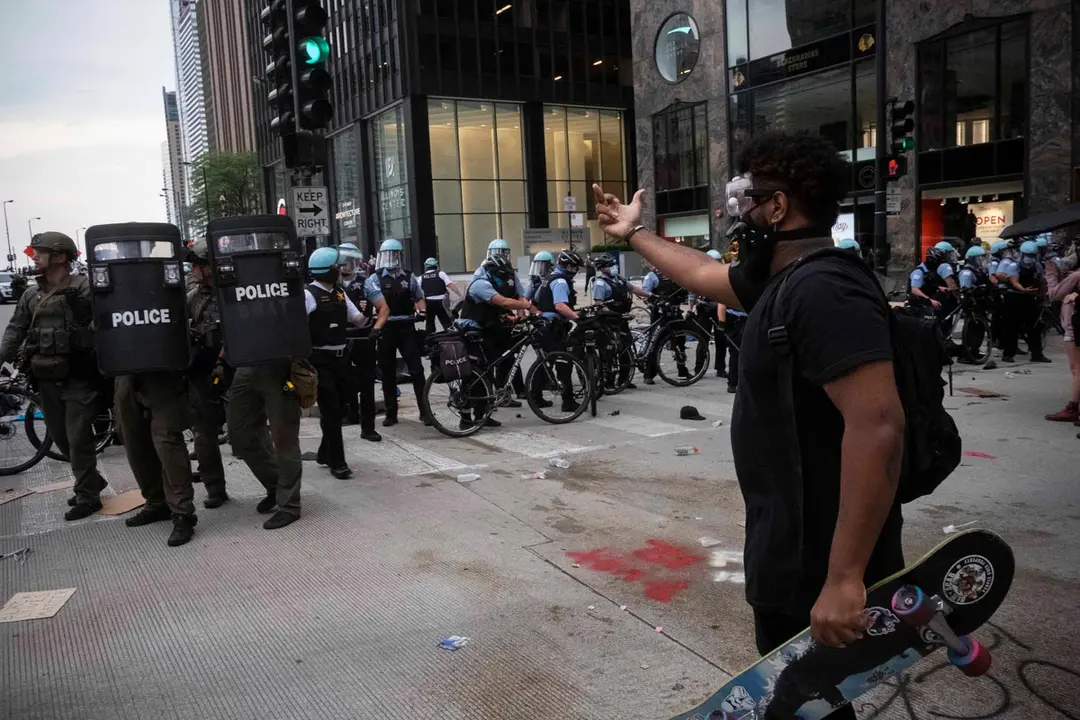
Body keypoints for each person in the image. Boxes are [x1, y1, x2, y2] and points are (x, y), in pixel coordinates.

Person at [592, 131, 907, 692]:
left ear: (779, 207)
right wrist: (634, 234)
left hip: (817, 557)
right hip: (788, 546)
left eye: (748, 200)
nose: (739, 213)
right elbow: (701, 273)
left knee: (806, 700)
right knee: (813, 702)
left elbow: (878, 425)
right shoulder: (783, 281)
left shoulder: (824, 290)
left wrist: (845, 577)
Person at [0, 231, 106, 521]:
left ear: (60, 257)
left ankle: (88, 495)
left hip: (79, 376)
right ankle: (92, 480)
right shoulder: (31, 294)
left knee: (78, 436)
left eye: (40, 252)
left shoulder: (84, 289)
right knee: (61, 439)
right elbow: (15, 330)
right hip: (45, 377)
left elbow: (107, 325)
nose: (34, 257)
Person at [305, 246, 373, 479]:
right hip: (320, 360)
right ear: (324, 271)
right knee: (331, 411)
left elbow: (358, 320)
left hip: (341, 358)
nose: (340, 271)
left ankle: (325, 452)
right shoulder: (308, 295)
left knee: (342, 406)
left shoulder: (340, 293)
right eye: (336, 267)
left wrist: (371, 310)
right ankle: (338, 463)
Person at [456, 254, 537, 425]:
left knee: (488, 370)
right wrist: (528, 306)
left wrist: (512, 318)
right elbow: (503, 302)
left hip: (486, 330)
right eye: (501, 274)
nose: (505, 278)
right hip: (472, 332)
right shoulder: (481, 284)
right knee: (476, 374)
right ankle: (466, 417)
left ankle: (482, 415)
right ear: (492, 272)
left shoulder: (496, 281)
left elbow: (496, 308)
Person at [185, 239, 229, 509]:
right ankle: (215, 487)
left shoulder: (231, 292)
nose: (193, 269)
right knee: (203, 434)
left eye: (197, 264)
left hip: (234, 370)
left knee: (249, 436)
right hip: (203, 372)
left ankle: (274, 487)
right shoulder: (193, 298)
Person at [365, 238, 428, 427]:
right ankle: (391, 413)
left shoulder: (409, 277)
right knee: (387, 371)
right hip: (386, 329)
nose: (392, 259)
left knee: (417, 370)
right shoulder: (375, 278)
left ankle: (425, 412)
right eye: (388, 255)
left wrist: (422, 311)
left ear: (401, 256)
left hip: (406, 327)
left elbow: (419, 297)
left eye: (395, 255)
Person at [531, 250, 583, 411]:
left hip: (543, 325)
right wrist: (577, 318)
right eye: (575, 268)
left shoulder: (548, 278)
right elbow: (560, 305)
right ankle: (568, 402)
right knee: (563, 362)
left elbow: (533, 301)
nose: (575, 272)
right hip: (554, 327)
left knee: (545, 362)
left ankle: (536, 398)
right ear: (568, 266)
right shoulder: (560, 282)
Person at [338, 243, 380, 441]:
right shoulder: (332, 284)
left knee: (366, 382)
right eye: (343, 262)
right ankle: (349, 413)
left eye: (349, 261)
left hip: (363, 335)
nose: (346, 266)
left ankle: (368, 426)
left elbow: (380, 306)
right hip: (341, 337)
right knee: (343, 379)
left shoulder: (366, 283)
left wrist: (370, 311)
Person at [592, 253, 647, 390]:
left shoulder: (619, 279)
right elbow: (599, 303)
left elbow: (633, 289)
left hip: (622, 320)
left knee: (626, 348)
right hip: (608, 322)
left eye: (613, 264)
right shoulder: (600, 283)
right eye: (610, 265)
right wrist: (614, 314)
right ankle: (608, 381)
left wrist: (650, 295)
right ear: (602, 268)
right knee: (610, 351)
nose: (613, 267)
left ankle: (624, 380)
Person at [998, 240, 1050, 364]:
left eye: (1032, 256)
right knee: (1012, 328)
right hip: (1015, 298)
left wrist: (1043, 297)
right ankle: (1008, 354)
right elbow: (1014, 281)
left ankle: (1036, 354)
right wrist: (1023, 289)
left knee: (1034, 327)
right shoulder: (1013, 266)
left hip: (1031, 299)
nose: (1029, 258)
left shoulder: (1037, 266)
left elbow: (1042, 282)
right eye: (1028, 255)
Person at [1047, 267, 1080, 423]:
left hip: (1074, 326)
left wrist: (1051, 274)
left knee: (1077, 369)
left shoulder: (1076, 276)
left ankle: (1073, 407)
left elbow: (1054, 294)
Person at [420, 257, 455, 334]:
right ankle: (451, 340)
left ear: (426, 266)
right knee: (446, 323)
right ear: (436, 265)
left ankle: (430, 342)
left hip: (428, 303)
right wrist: (460, 295)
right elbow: (450, 284)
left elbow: (418, 292)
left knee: (429, 324)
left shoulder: (421, 277)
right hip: (441, 302)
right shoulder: (441, 274)